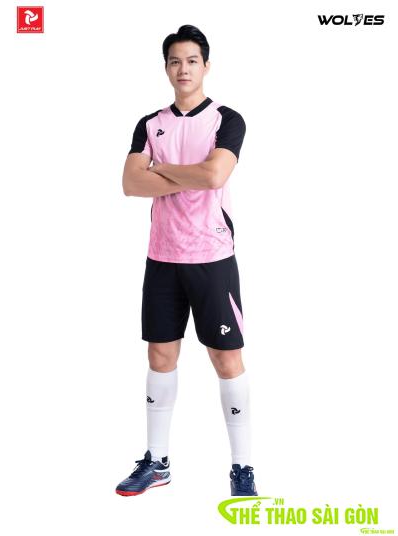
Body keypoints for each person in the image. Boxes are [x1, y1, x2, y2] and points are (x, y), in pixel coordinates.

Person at [115, 24, 257, 497]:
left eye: (192, 60)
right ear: (166, 68)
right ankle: (157, 462)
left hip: (212, 256)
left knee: (226, 358)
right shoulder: (149, 124)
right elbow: (131, 184)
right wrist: (185, 175)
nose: (183, 69)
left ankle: (242, 468)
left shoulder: (226, 119)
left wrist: (160, 169)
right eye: (175, 61)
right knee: (160, 355)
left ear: (206, 66)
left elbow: (215, 175)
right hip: (162, 256)